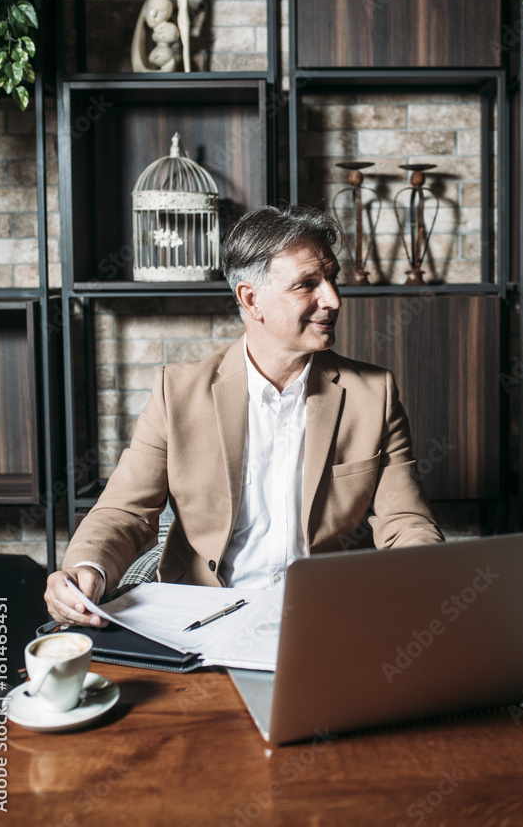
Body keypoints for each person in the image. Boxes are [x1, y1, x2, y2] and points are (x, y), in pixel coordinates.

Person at [45, 204, 443, 626]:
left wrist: (424, 575)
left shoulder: (373, 394)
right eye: (307, 284)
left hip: (323, 613)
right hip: (201, 615)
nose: (333, 299)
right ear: (251, 300)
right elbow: (124, 511)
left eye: (332, 279)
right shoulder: (177, 393)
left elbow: (405, 519)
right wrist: (88, 567)